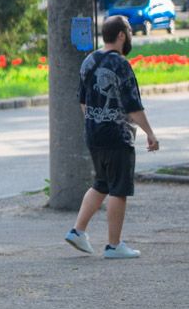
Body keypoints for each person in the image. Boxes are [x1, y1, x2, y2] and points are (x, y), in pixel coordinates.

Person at [64, 15, 159, 259]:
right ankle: (114, 245)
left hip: (93, 134)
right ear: (121, 35)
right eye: (129, 33)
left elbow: (83, 100)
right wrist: (150, 133)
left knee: (102, 183)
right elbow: (133, 106)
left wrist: (95, 121)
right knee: (119, 188)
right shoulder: (121, 64)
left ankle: (77, 231)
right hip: (117, 136)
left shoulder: (89, 60)